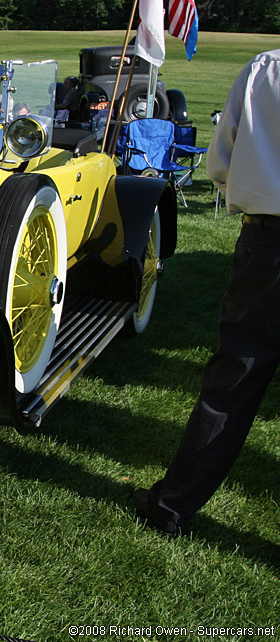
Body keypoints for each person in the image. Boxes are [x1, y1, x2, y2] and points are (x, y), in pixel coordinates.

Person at [133, 48, 280, 537]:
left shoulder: (266, 69)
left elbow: (221, 160)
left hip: (269, 240)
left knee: (233, 384)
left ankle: (171, 505)